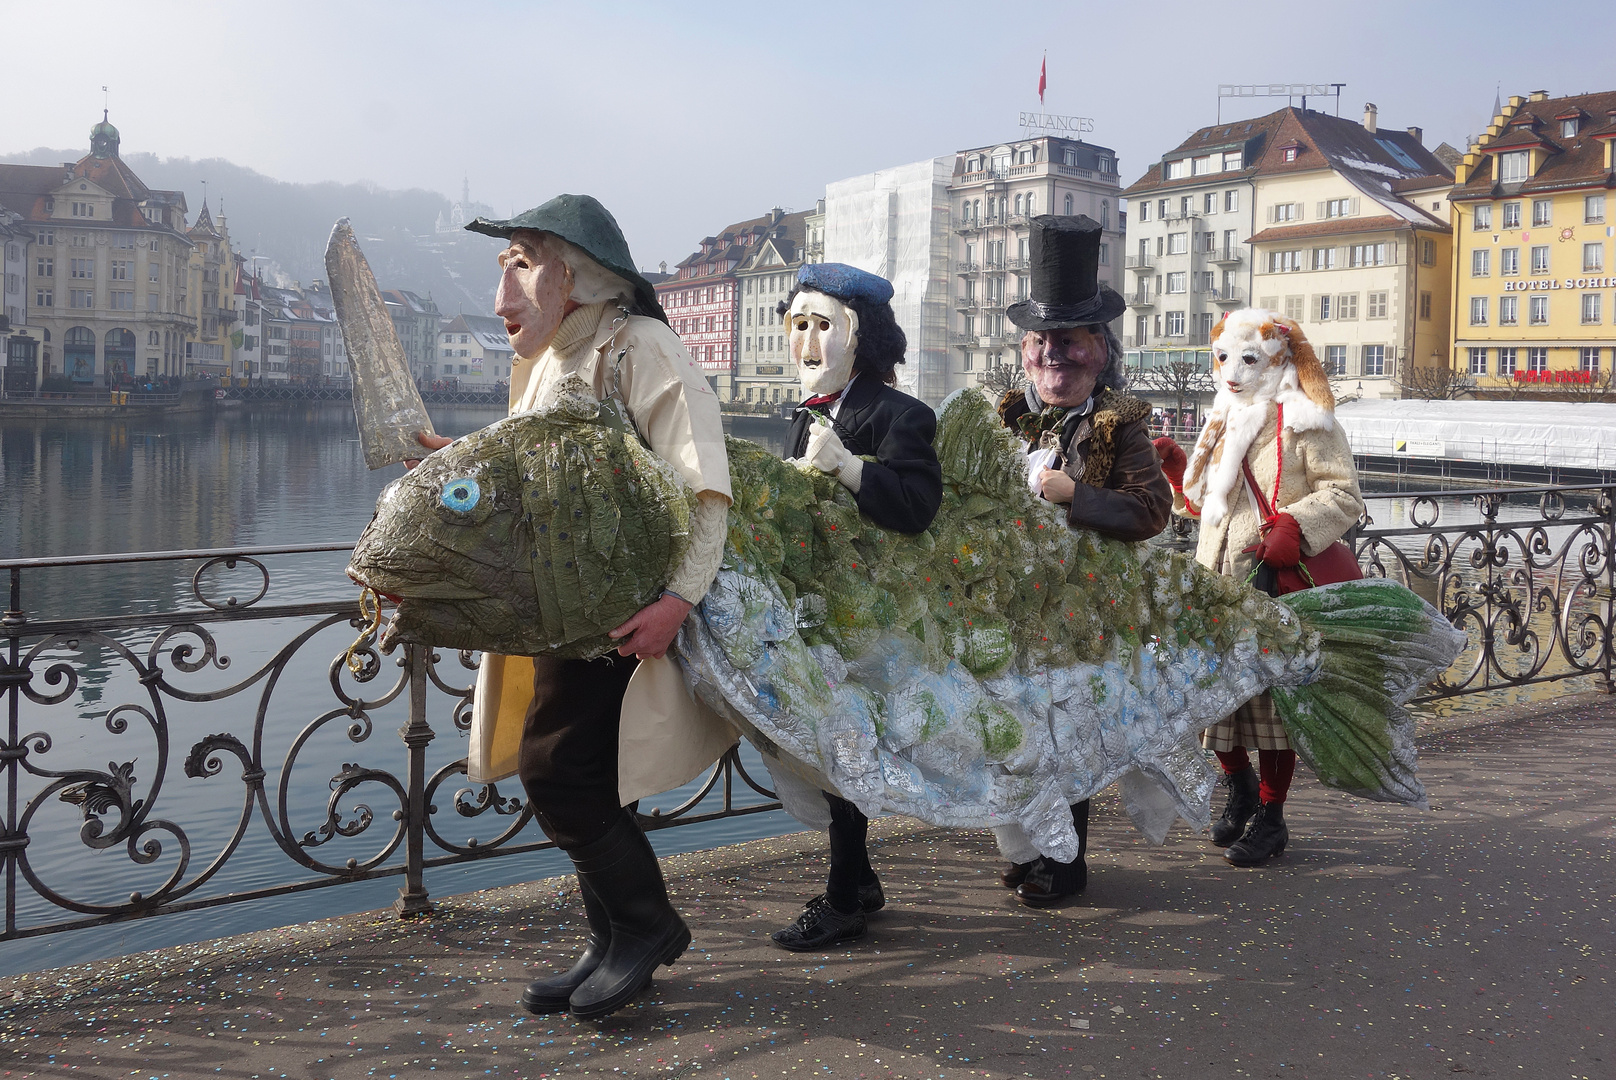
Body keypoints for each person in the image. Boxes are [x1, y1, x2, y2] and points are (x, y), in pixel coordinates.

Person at [415, 194, 733, 1019]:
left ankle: (647, 926)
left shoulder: (644, 347)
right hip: (560, 608)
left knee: (558, 766)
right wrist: (459, 458)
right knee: (581, 771)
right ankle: (613, 940)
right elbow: (533, 473)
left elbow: (706, 488)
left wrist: (677, 598)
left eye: (521, 265)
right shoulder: (553, 358)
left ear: (576, 274)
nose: (502, 297)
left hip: (621, 614)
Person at [991, 214, 1172, 906]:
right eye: (1041, 343)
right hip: (1010, 608)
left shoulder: (1119, 423)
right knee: (1010, 734)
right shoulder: (1007, 416)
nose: (1051, 358)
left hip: (1084, 613)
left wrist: (1077, 496)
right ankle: (1025, 847)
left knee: (1062, 740)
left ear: (1097, 350)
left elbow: (1152, 512)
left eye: (1067, 344)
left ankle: (1064, 863)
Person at [765, 263, 943, 951]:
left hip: (876, 625)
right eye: (798, 325)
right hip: (817, 614)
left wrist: (851, 468)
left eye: (822, 325)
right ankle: (859, 881)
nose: (807, 341)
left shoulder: (903, 415)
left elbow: (918, 507)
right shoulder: (803, 414)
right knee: (827, 754)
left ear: (859, 338)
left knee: (845, 755)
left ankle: (845, 899)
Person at [1160, 308, 1364, 867]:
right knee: (1215, 701)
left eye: (1246, 360)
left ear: (1276, 358)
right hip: (1216, 584)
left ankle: (1272, 817)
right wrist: (1181, 475)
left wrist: (1297, 527)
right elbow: (1203, 506)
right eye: (1222, 357)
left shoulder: (1306, 421)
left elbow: (1344, 495)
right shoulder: (1221, 419)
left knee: (1273, 711)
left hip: (1274, 588)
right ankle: (1241, 787)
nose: (1230, 372)